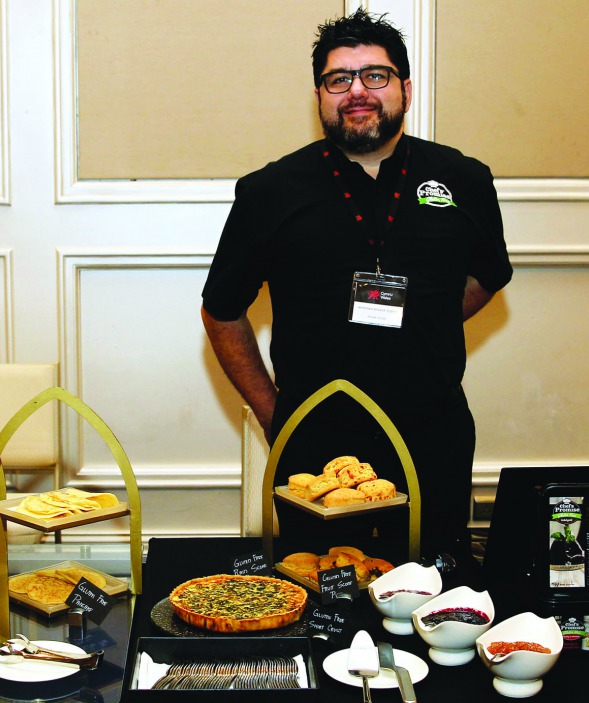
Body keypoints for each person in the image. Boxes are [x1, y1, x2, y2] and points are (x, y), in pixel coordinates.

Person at [201, 9, 512, 559]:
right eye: (338, 79)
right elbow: (221, 310)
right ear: (319, 96)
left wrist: (428, 318)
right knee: (324, 586)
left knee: (432, 586)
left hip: (433, 433)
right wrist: (276, 414)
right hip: (316, 441)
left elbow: (488, 276)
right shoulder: (269, 192)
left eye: (375, 75)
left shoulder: (464, 179)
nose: (357, 92)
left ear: (405, 89)